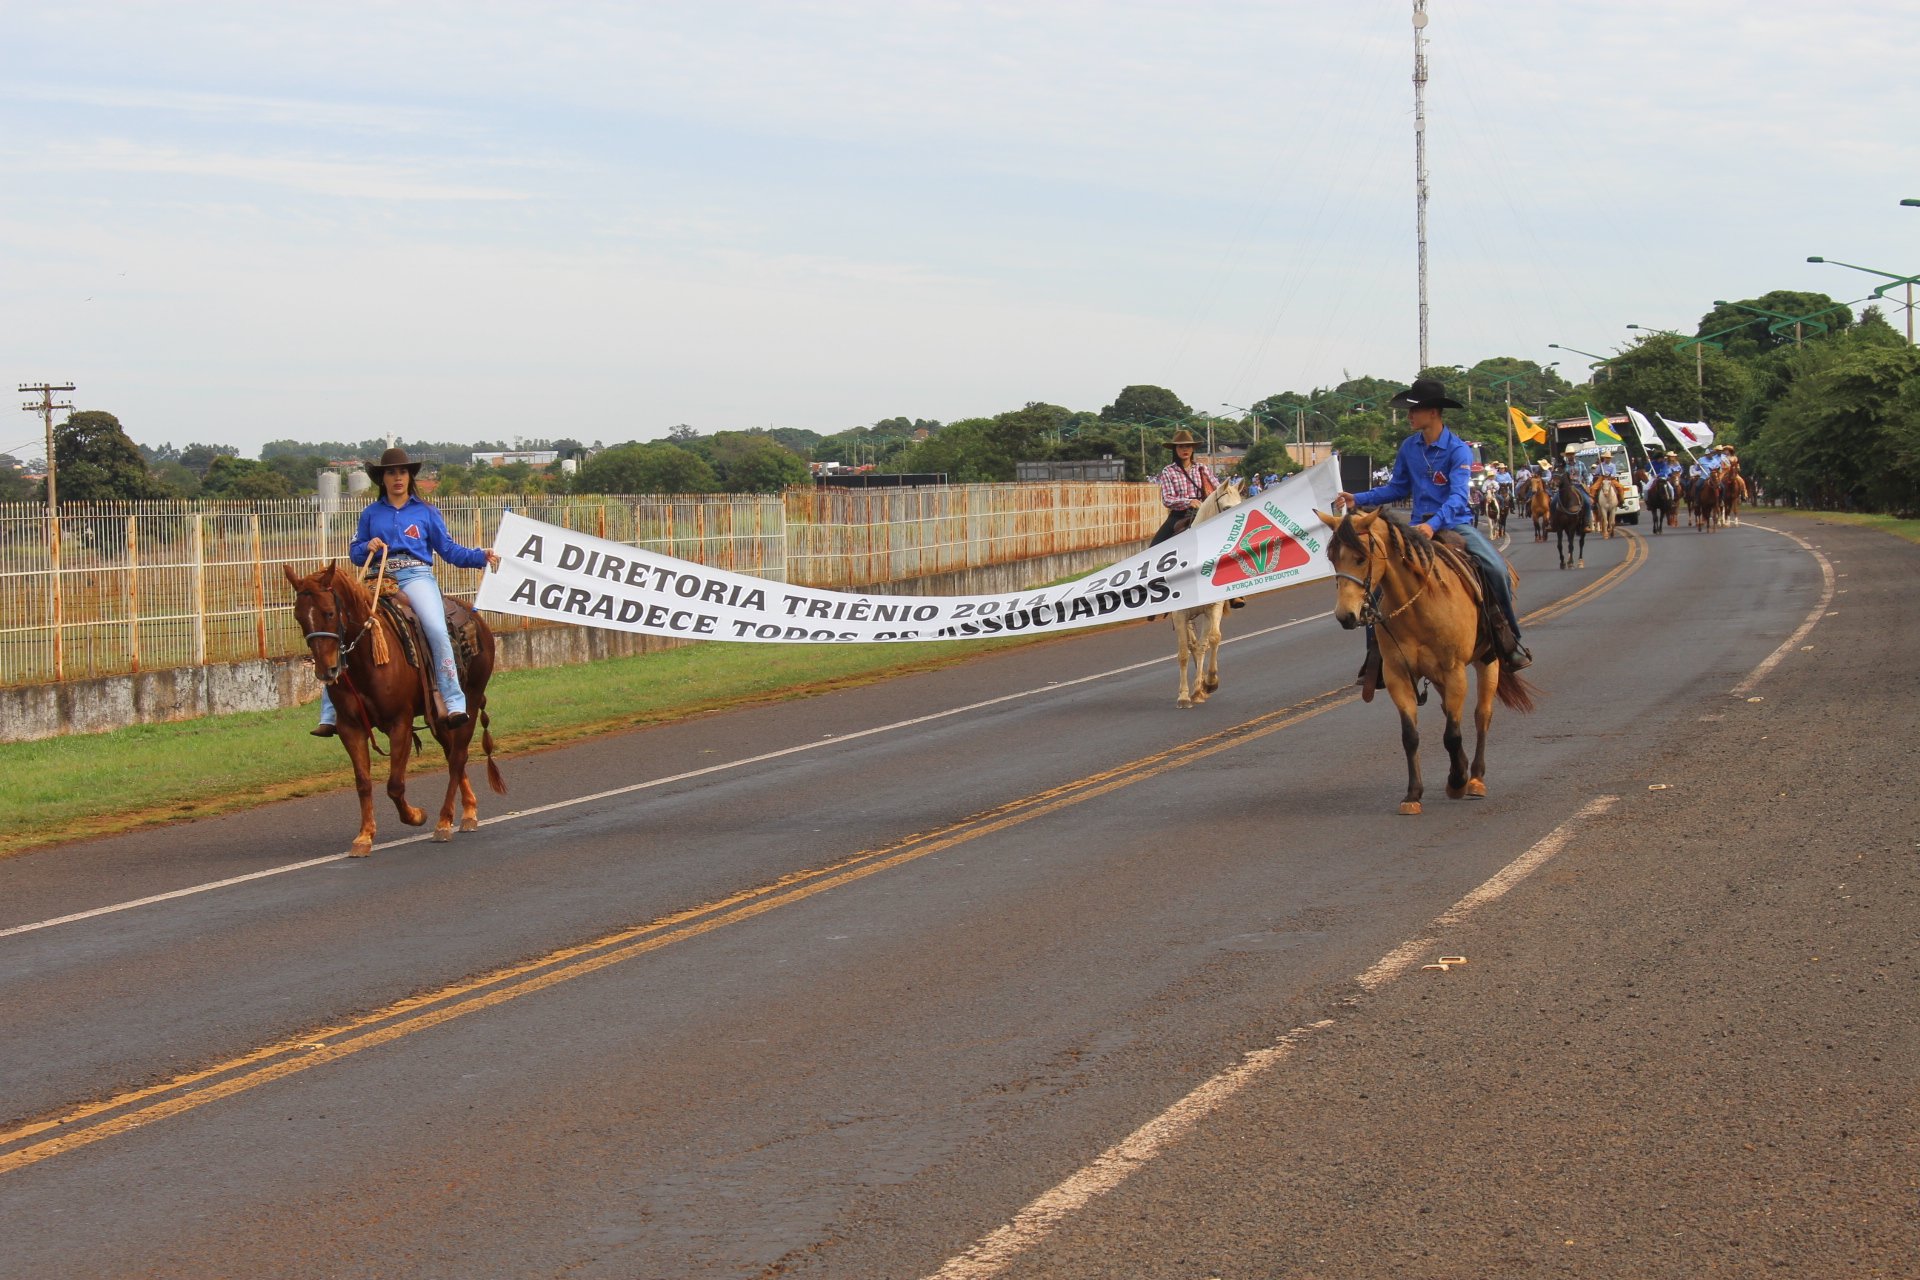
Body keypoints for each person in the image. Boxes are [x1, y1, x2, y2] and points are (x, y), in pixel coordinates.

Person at [1334, 378, 1531, 671]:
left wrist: (1434, 524)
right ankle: (1375, 657)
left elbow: (1457, 497)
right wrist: (1357, 498)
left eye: (1415, 410)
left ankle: (1509, 641)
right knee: (1375, 582)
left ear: (1434, 413)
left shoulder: (1458, 450)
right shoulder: (1408, 447)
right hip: (1415, 528)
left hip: (1455, 525)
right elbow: (1397, 488)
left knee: (1497, 570)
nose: (1409, 415)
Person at [313, 447, 500, 737]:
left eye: (402, 472)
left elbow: (449, 550)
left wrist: (480, 556)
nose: (397, 477)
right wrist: (367, 547)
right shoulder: (371, 514)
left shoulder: (426, 512)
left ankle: (452, 700)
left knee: (436, 628)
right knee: (342, 628)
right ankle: (330, 712)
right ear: (382, 479)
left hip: (416, 576)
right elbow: (355, 553)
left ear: (409, 476)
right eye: (391, 472)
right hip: (377, 577)